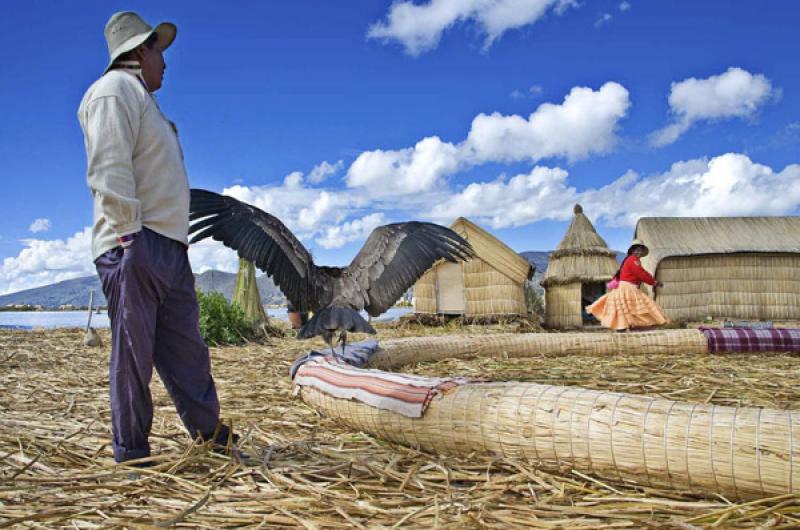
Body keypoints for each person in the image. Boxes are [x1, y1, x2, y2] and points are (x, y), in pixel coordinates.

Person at [77, 12, 239, 465]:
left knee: (187, 347)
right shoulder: (112, 92)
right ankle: (132, 451)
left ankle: (209, 435)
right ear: (140, 50)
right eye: (160, 51)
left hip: (167, 246)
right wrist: (131, 237)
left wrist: (170, 244)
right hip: (135, 244)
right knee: (134, 354)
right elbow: (108, 170)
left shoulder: (145, 102)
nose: (165, 62)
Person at [586, 239, 669, 332]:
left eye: (640, 250)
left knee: (627, 311)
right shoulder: (633, 260)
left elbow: (640, 273)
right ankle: (628, 330)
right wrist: (654, 282)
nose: (639, 252)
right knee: (641, 308)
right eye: (636, 250)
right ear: (632, 251)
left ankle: (625, 330)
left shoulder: (630, 260)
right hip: (628, 288)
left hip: (626, 287)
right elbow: (641, 273)